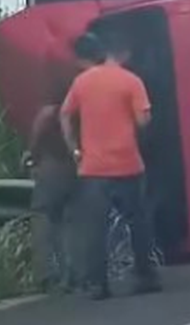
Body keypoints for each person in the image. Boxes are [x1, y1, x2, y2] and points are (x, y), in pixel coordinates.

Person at [61, 25, 163, 301]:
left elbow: (65, 115)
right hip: (128, 163)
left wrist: (75, 150)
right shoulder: (131, 81)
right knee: (138, 223)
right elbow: (144, 120)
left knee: (95, 227)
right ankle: (146, 275)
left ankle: (98, 284)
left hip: (93, 167)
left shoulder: (81, 83)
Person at [27, 87, 81, 292]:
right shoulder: (78, 112)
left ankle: (47, 275)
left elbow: (35, 143)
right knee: (69, 222)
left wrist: (32, 160)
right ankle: (72, 272)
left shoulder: (48, 114)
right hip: (74, 170)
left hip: (50, 170)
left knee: (43, 219)